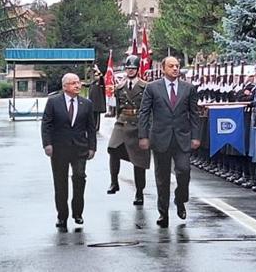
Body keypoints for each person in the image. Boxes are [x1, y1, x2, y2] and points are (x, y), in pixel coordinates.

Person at [138, 56, 200, 228]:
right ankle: (163, 212)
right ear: (163, 68)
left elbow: (194, 114)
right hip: (160, 138)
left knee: (184, 171)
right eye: (171, 66)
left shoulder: (188, 89)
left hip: (182, 138)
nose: (175, 68)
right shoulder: (152, 88)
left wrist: (196, 136)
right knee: (162, 177)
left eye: (177, 66)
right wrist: (143, 136)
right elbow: (144, 113)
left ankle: (181, 199)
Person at [41, 73, 96, 231]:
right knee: (60, 183)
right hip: (59, 149)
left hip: (80, 148)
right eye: (73, 83)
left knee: (79, 178)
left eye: (78, 83)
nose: (77, 86)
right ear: (65, 86)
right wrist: (47, 144)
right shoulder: (53, 102)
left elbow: (91, 128)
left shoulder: (86, 104)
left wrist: (92, 147)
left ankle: (77, 213)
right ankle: (62, 216)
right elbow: (46, 125)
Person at [106, 55, 150, 206]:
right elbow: (118, 108)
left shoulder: (145, 87)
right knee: (112, 148)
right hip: (122, 122)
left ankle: (139, 192)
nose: (130, 71)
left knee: (139, 161)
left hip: (138, 124)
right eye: (128, 68)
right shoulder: (120, 87)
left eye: (133, 68)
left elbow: (149, 109)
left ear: (138, 69)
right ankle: (113, 182)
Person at [83, 65, 106, 132]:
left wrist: (98, 70)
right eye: (95, 76)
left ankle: (96, 127)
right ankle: (93, 126)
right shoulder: (93, 83)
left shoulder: (100, 83)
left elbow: (101, 77)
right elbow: (87, 84)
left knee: (97, 116)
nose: (96, 77)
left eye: (97, 76)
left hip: (98, 103)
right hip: (92, 102)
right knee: (92, 116)